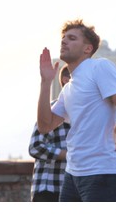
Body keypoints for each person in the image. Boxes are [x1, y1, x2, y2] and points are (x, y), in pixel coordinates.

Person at [37, 19, 116, 202]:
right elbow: (45, 125)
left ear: (87, 49)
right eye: (63, 38)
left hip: (103, 172)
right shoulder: (68, 89)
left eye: (72, 38)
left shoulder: (100, 66)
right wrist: (45, 82)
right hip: (73, 172)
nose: (64, 41)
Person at [29, 65, 71, 202]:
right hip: (48, 189)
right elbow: (35, 147)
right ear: (66, 80)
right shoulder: (51, 111)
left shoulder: (86, 114)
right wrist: (68, 154)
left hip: (74, 189)